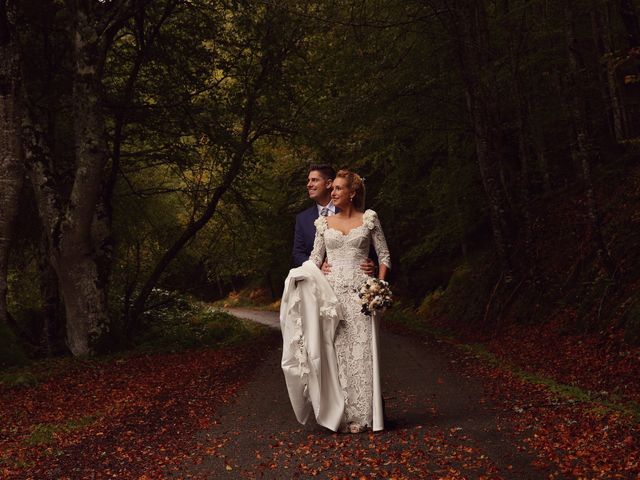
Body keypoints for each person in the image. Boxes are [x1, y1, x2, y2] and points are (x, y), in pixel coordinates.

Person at [280, 169, 390, 434]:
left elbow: (384, 256)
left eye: (339, 188)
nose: (334, 193)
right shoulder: (324, 224)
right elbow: (313, 261)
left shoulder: (369, 219)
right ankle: (344, 413)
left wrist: (378, 283)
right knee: (338, 355)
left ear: (352, 193)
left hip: (361, 295)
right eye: (333, 189)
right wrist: (312, 272)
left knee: (362, 353)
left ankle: (366, 415)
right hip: (333, 298)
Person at [292, 165, 375, 276]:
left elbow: (369, 243)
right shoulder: (302, 218)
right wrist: (316, 267)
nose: (309, 185)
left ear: (328, 184)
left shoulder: (352, 209)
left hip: (356, 279)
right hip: (318, 284)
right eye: (308, 181)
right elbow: (298, 254)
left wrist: (373, 264)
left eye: (314, 180)